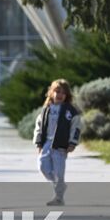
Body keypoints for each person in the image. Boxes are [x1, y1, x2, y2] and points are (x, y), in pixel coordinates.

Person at [33, 79, 81, 207]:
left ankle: (59, 198)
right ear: (51, 93)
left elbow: (76, 128)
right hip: (47, 143)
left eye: (63, 93)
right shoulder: (46, 110)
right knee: (42, 165)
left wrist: (72, 142)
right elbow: (39, 126)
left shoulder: (70, 111)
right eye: (57, 91)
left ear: (67, 96)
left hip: (61, 145)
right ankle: (59, 185)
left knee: (59, 171)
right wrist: (39, 142)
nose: (60, 95)